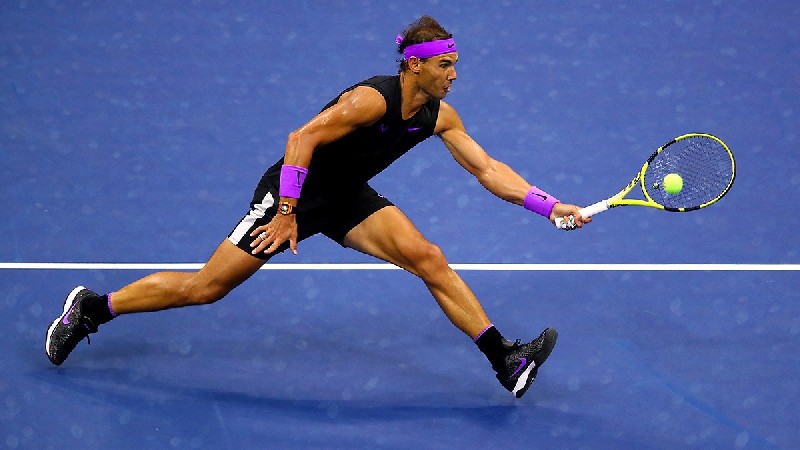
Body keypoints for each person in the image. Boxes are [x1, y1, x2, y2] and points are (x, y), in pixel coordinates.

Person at [45, 16, 590, 399]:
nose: (454, 74)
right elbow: (300, 139)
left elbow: (488, 169)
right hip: (293, 194)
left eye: (455, 65)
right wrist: (286, 211)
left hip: (347, 196)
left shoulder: (439, 116)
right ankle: (94, 308)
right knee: (206, 288)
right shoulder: (370, 100)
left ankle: (504, 359)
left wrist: (549, 206)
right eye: (445, 65)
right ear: (413, 66)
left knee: (429, 258)